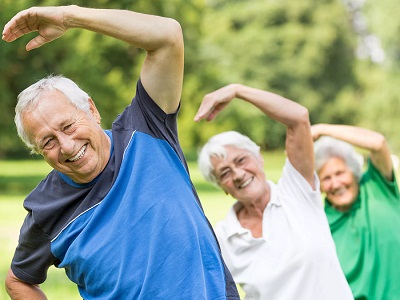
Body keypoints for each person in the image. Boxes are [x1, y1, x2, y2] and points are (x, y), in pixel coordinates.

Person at [2, 5, 239, 299]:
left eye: (67, 125)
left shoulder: (147, 128)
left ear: (91, 109)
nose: (66, 146)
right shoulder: (45, 210)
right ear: (37, 150)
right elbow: (18, 281)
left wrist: (69, 16)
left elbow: (167, 36)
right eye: (47, 142)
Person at [195, 84, 353, 300]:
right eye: (225, 173)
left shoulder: (296, 191)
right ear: (222, 187)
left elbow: (298, 118)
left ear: (259, 158)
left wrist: (237, 90)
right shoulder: (223, 238)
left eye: (241, 160)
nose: (239, 174)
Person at [312, 123, 400, 299]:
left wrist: (322, 130)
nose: (336, 184)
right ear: (319, 185)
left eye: (340, 173)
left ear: (354, 171)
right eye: (326, 178)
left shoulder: (377, 187)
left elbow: (378, 143)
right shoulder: (319, 223)